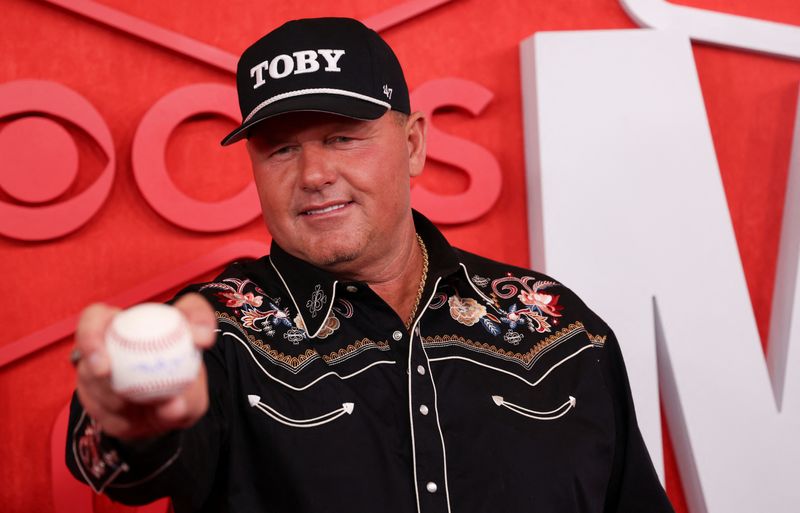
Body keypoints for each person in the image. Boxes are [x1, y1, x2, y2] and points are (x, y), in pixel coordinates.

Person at [66, 17, 675, 513]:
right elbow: (122, 465)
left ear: (412, 144)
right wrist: (130, 422)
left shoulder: (556, 324)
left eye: (341, 138)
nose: (313, 175)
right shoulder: (218, 331)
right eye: (281, 149)